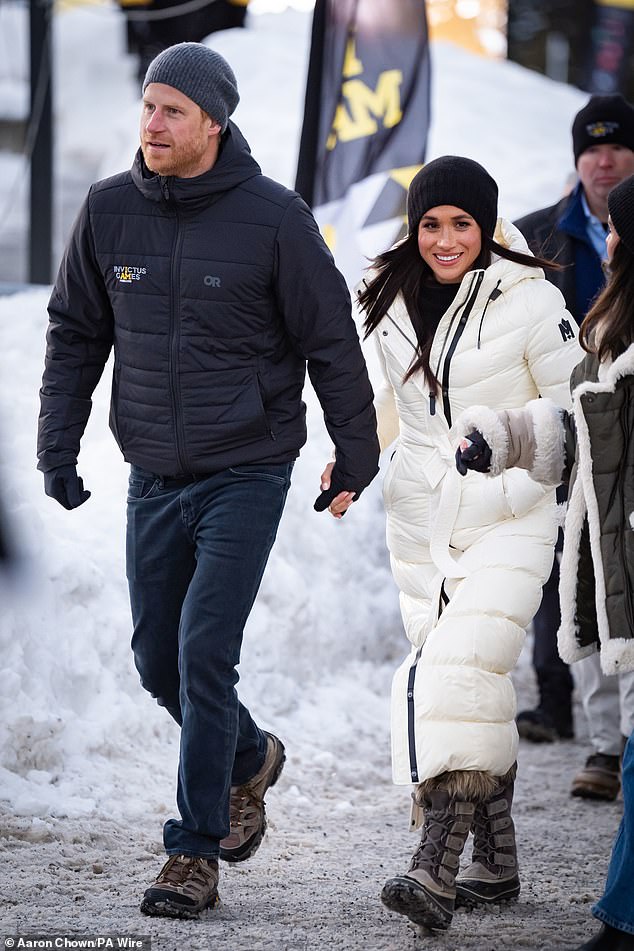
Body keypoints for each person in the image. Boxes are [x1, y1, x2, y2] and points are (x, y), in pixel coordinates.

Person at [37, 42, 380, 920]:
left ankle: (192, 853)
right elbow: (76, 331)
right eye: (147, 107)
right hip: (154, 469)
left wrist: (357, 448)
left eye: (171, 111)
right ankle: (249, 755)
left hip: (248, 466)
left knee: (201, 651)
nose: (151, 124)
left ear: (214, 123)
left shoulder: (274, 218)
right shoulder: (110, 209)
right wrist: (59, 447)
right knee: (158, 660)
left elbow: (330, 340)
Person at [321, 155, 583, 934]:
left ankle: (433, 865)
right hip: (421, 524)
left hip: (510, 513)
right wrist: (354, 463)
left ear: (487, 226)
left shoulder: (533, 304)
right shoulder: (390, 299)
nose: (443, 239)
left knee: (453, 673)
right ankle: (496, 860)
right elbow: (392, 409)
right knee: (470, 686)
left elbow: (581, 418)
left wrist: (504, 437)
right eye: (430, 223)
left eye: (461, 223)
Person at [455, 173, 634, 951]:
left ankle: (621, 917)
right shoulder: (612, 335)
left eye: (618, 228)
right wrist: (506, 437)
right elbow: (583, 432)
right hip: (619, 573)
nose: (609, 236)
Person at [514, 94, 634, 804]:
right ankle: (580, 722)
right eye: (590, 148)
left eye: (617, 145)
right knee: (567, 576)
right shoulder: (541, 237)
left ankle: (615, 736)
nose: (603, 158)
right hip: (566, 429)